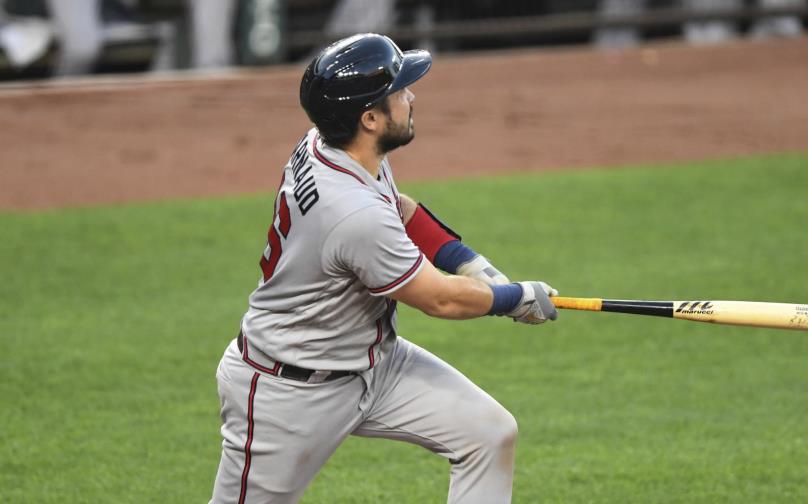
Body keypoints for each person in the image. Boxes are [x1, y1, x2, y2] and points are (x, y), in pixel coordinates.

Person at [209, 33, 559, 503]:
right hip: (288, 392)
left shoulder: (334, 146)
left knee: (488, 434)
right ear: (370, 118)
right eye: (399, 92)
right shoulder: (353, 215)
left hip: (373, 363)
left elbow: (399, 207)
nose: (411, 96)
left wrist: (471, 263)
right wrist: (513, 298)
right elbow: (441, 298)